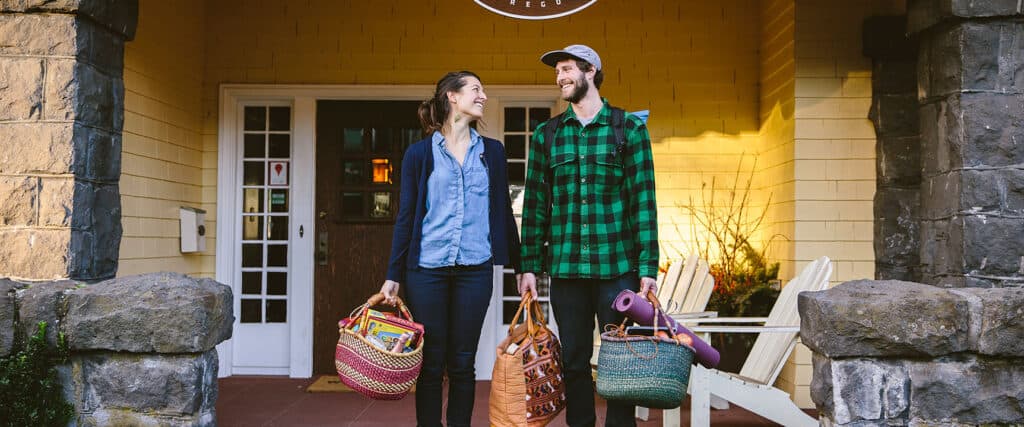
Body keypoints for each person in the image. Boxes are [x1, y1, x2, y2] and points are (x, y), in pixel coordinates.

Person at [518, 45, 659, 427]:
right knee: (575, 360)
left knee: (620, 360)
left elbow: (643, 204)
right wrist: (528, 266)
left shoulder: (628, 128)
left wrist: (648, 269)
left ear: (591, 71)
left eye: (566, 69)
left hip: (618, 269)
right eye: (557, 72)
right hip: (566, 270)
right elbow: (535, 207)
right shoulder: (547, 135)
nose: (559, 77)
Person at [380, 71, 521, 427]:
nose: (484, 96)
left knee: (462, 362)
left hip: (475, 270)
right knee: (431, 362)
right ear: (452, 97)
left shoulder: (492, 152)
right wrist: (393, 274)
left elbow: (503, 210)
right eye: (476, 89)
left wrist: (522, 267)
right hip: (426, 270)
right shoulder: (419, 154)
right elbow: (407, 216)